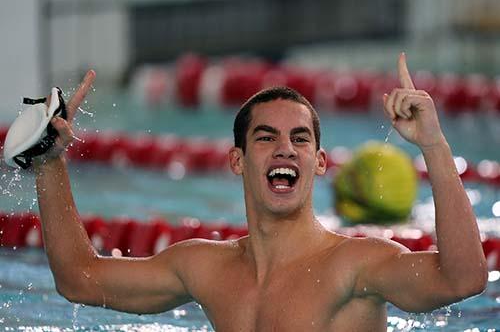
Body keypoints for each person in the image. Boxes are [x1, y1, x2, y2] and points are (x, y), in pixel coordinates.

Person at [33, 53, 487, 331]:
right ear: (238, 161)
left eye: (301, 139)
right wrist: (50, 162)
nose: (286, 149)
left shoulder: (356, 267)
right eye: (267, 137)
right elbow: (79, 280)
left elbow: (463, 279)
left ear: (320, 162)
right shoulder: (205, 268)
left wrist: (434, 144)